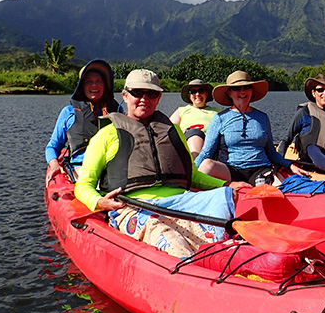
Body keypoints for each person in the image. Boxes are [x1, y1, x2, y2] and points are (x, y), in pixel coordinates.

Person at [74, 69, 249, 258]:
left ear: (158, 98)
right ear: (125, 95)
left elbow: (193, 176)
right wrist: (99, 202)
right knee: (167, 236)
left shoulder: (173, 131)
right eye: (137, 93)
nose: (144, 99)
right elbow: (84, 184)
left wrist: (226, 185)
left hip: (182, 201)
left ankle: (227, 254)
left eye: (151, 93)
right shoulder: (106, 135)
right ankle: (187, 269)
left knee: (225, 197)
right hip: (135, 206)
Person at [195, 70, 309, 185]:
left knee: (279, 185)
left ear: (252, 90)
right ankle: (226, 185)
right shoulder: (220, 118)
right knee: (206, 165)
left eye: (247, 87)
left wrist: (290, 165)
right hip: (231, 170)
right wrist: (189, 173)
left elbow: (271, 152)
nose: (243, 91)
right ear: (229, 92)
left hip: (259, 169)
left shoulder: (262, 117)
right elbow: (206, 153)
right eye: (237, 88)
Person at [45, 59, 121, 182]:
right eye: (88, 82)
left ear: (105, 85)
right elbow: (52, 147)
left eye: (99, 82)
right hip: (81, 168)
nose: (94, 86)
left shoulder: (117, 110)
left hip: (112, 168)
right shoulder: (69, 112)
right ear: (81, 86)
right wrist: (54, 164)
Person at [169, 79, 220, 158]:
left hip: (213, 140)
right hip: (191, 137)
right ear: (189, 96)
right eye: (193, 92)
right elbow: (168, 129)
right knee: (195, 134)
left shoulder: (217, 111)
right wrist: (181, 132)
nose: (197, 94)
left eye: (201, 91)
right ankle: (196, 165)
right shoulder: (181, 110)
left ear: (206, 94)